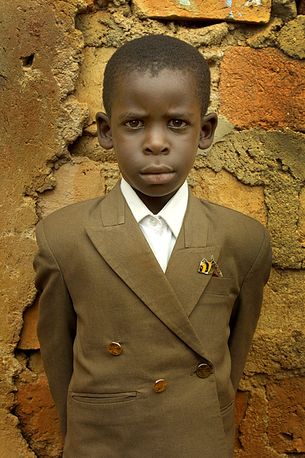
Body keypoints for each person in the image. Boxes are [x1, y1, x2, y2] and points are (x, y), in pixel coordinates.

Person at [34, 34, 272, 458]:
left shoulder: (243, 241)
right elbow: (59, 358)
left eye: (177, 123)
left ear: (206, 131)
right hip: (103, 443)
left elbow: (232, 358)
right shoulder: (63, 238)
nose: (156, 142)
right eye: (134, 123)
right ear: (106, 131)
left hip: (198, 440)